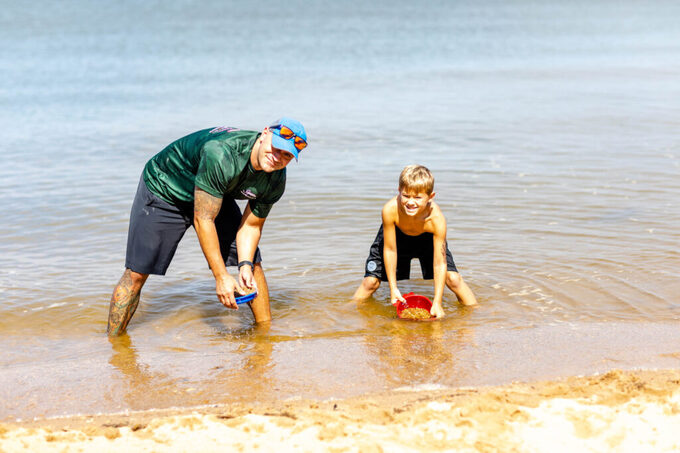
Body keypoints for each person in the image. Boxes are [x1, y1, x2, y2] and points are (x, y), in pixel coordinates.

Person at [107, 118, 308, 336]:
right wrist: (221, 277)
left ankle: (266, 337)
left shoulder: (276, 178)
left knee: (253, 265)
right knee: (137, 273)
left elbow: (251, 226)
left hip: (212, 192)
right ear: (265, 133)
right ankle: (112, 344)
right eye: (276, 148)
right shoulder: (222, 153)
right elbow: (203, 219)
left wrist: (245, 264)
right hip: (166, 188)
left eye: (286, 155)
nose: (278, 157)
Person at [353, 164, 477, 317]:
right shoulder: (390, 210)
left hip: (426, 238)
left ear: (430, 197)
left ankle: (477, 315)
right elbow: (390, 250)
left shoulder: (436, 219)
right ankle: (348, 313)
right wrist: (394, 289)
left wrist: (437, 302)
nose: (411, 202)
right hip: (397, 236)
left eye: (418, 197)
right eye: (406, 195)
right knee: (370, 283)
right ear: (399, 191)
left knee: (453, 279)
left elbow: (440, 262)